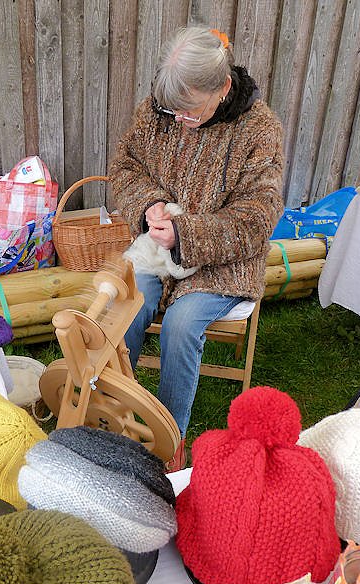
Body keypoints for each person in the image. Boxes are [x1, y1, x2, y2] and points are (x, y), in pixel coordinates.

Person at [108, 26, 285, 471]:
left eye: (189, 111)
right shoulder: (158, 111)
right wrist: (149, 206)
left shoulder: (259, 129)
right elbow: (125, 166)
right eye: (172, 109)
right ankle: (113, 418)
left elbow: (259, 215)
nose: (177, 118)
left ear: (222, 89)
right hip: (157, 247)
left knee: (182, 325)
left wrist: (187, 235)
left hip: (222, 260)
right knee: (126, 305)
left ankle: (167, 442)